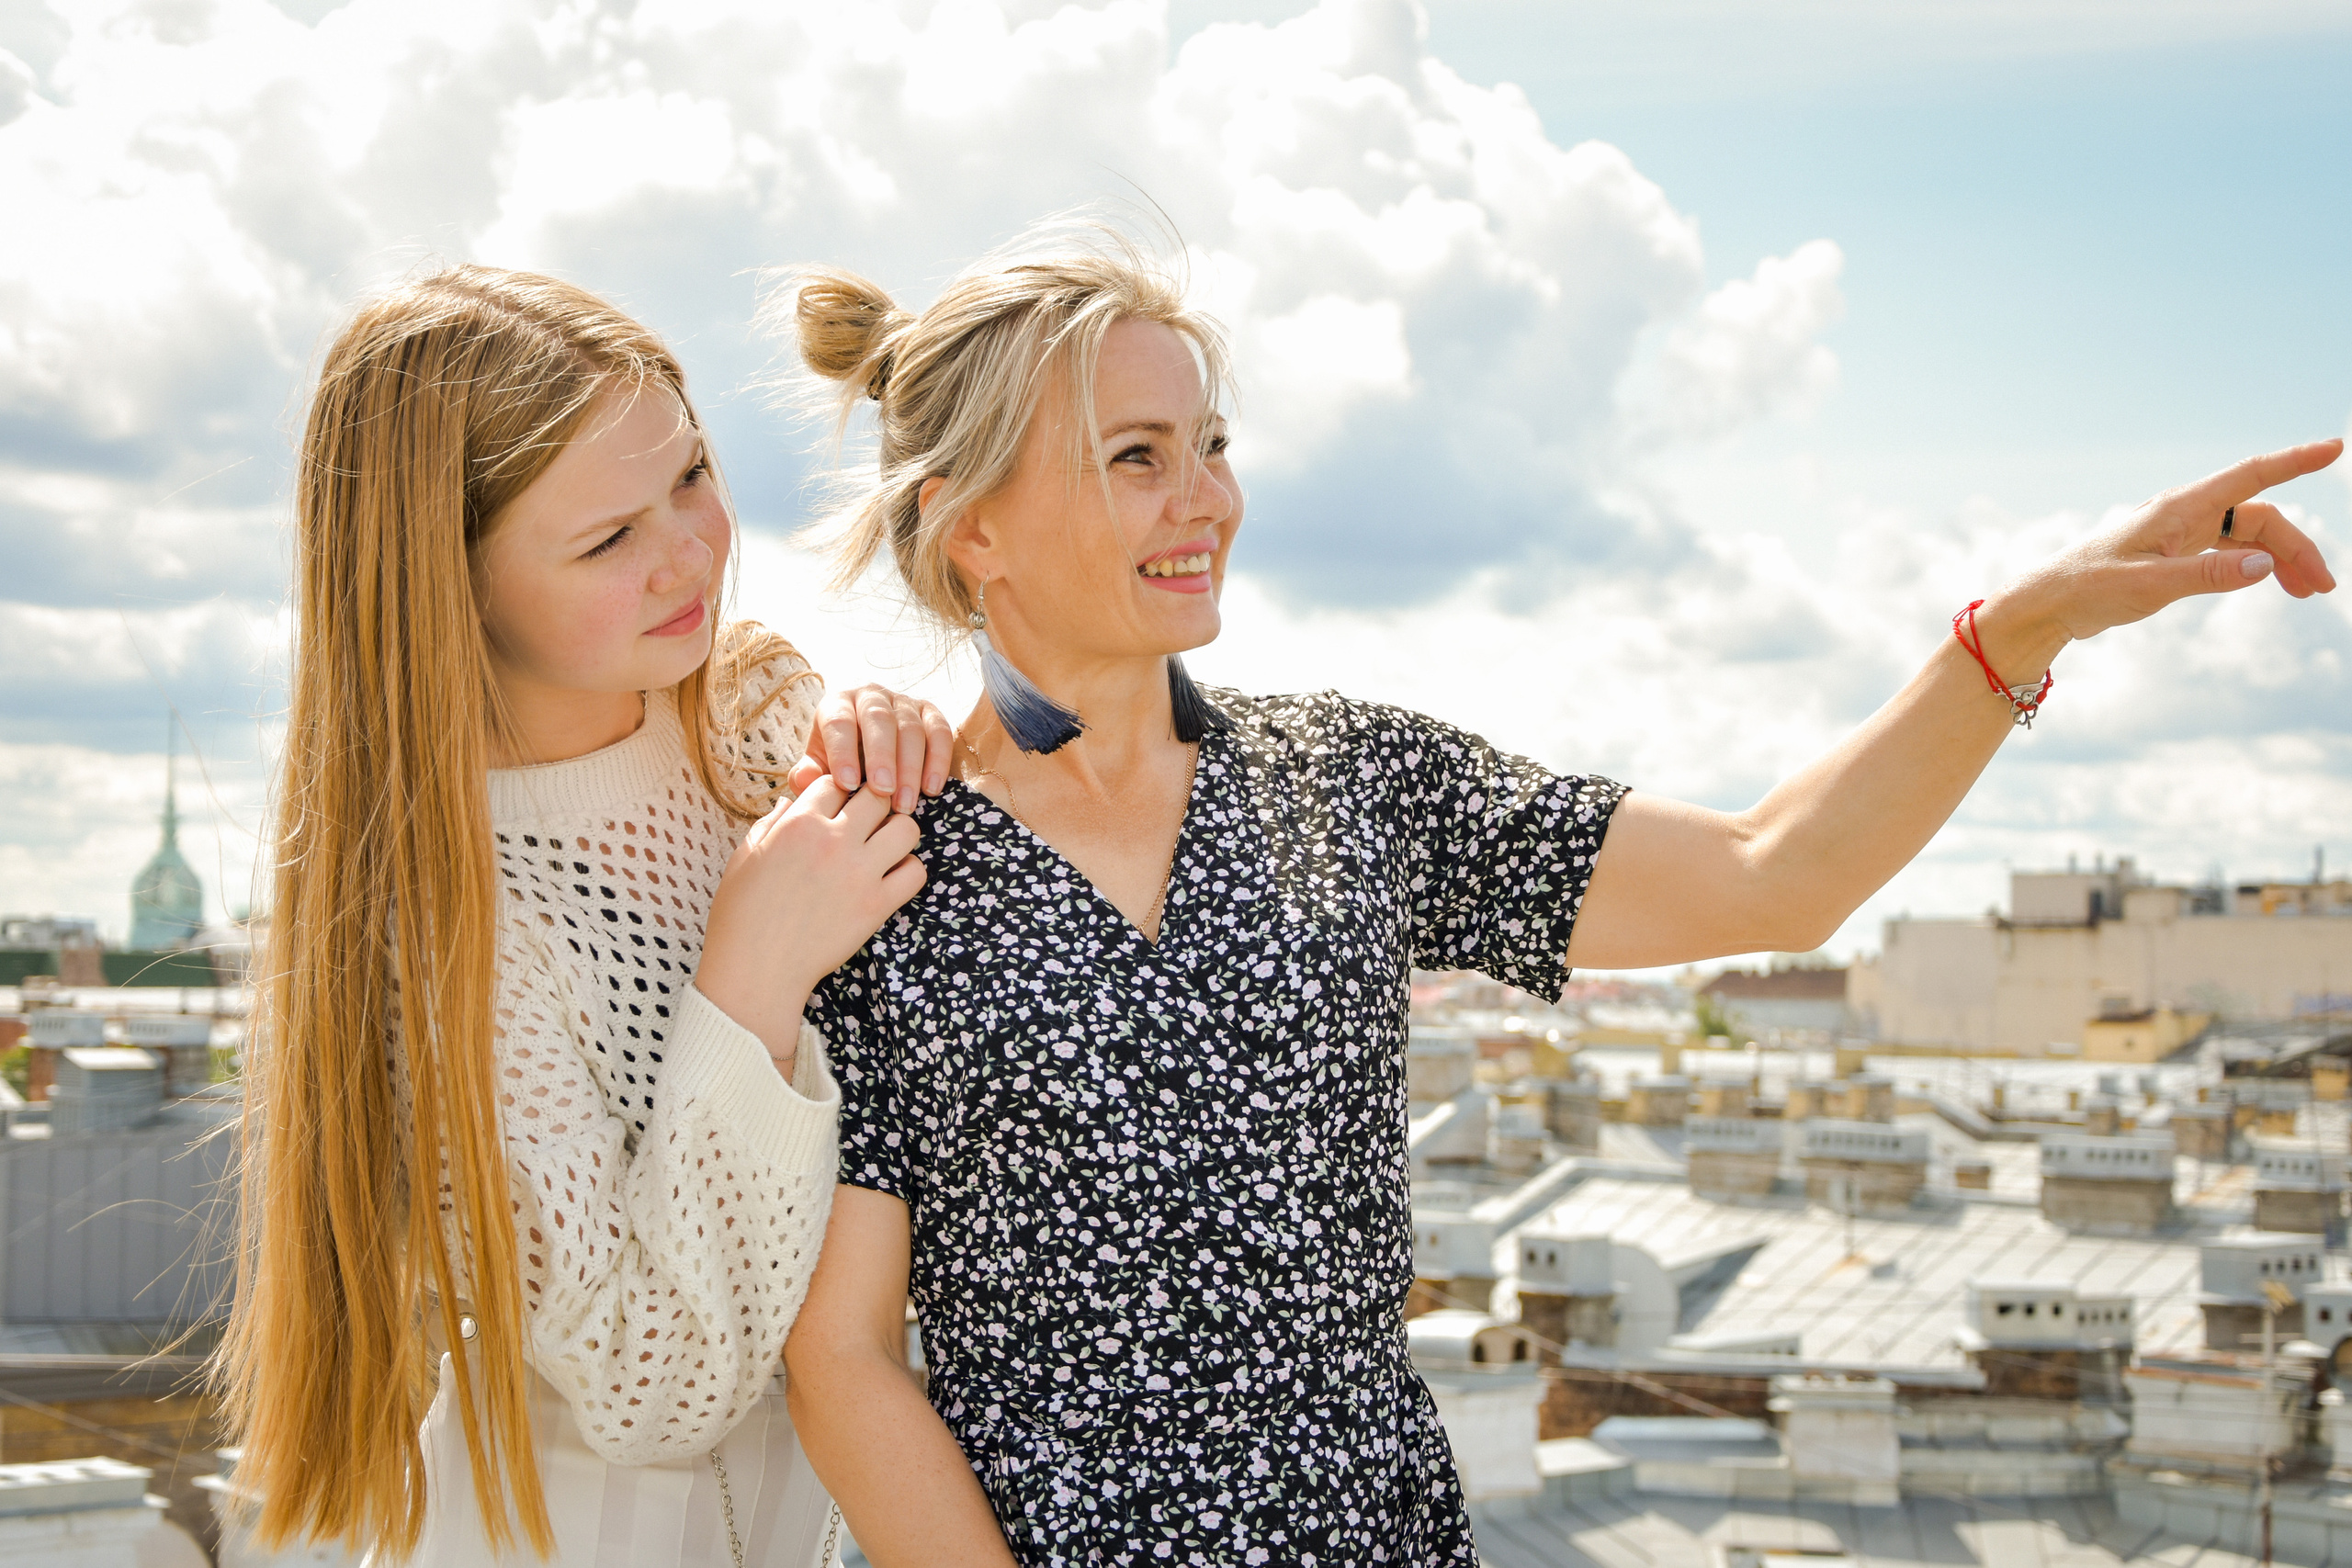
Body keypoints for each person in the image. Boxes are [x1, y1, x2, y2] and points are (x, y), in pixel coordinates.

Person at [770, 231, 2339, 1566]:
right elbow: (842, 1358)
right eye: (1138, 457)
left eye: (1215, 444)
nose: (1212, 499)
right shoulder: (882, 861)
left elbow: (1774, 876)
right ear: (969, 526)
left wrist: (2033, 620)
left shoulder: (1354, 780)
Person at [212, 264, 958, 1568]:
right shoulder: (446, 932)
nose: (690, 550)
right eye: (608, 539)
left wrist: (919, 754)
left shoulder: (757, 708)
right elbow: (649, 1392)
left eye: (691, 474)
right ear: (454, 585)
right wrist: (750, 982)